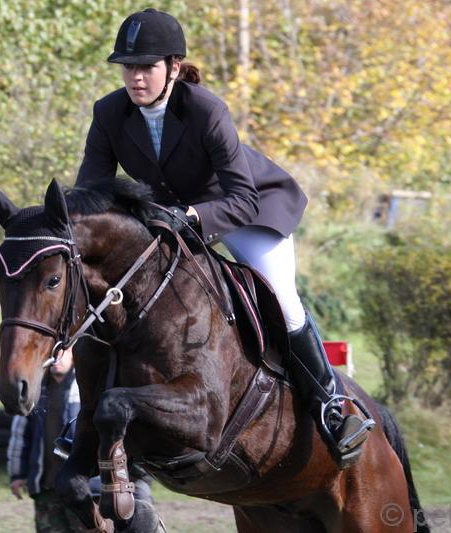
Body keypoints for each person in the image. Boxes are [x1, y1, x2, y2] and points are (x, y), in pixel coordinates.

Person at [75, 8, 375, 467]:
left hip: (246, 209)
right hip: (173, 217)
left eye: (146, 67)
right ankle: (87, 423)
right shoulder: (109, 112)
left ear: (173, 67)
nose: (135, 77)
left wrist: (190, 217)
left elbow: (243, 198)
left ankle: (332, 407)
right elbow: (90, 194)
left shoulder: (205, 109)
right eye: (128, 67)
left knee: (281, 300)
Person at [7, 347, 90, 533]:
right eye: (53, 353)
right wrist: (17, 474)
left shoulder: (87, 387)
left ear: (74, 356)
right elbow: (20, 435)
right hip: (46, 489)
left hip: (81, 489)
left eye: (63, 352)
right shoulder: (33, 391)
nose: (56, 358)